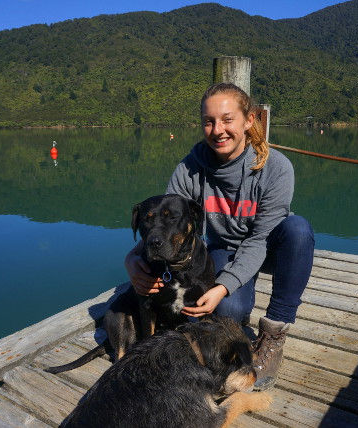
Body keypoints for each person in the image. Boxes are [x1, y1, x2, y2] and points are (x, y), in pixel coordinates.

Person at [125, 82, 315, 390]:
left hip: (268, 247)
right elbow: (165, 221)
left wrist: (223, 285)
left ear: (248, 120)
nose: (218, 130)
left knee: (298, 229)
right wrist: (132, 258)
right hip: (224, 248)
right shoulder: (190, 170)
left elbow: (258, 240)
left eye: (227, 119)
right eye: (209, 121)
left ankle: (274, 335)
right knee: (228, 310)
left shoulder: (276, 168)